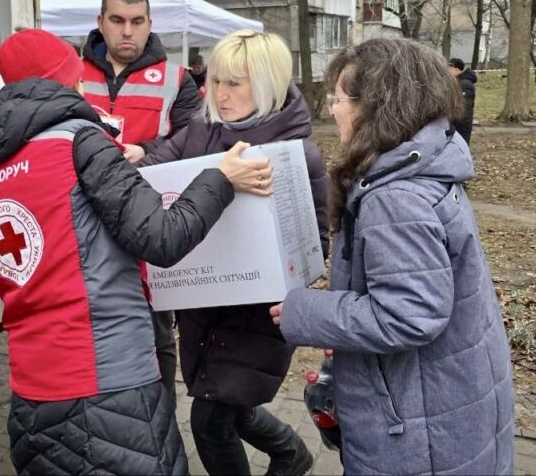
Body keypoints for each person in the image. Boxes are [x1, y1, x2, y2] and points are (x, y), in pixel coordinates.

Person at [0, 28, 273, 476]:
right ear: (69, 82)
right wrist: (219, 178)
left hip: (30, 391)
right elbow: (163, 237)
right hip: (108, 381)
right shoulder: (79, 141)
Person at [271, 39, 514, 476]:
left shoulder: (395, 197)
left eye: (338, 99)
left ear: (378, 105)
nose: (332, 111)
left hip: (419, 430)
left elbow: (409, 314)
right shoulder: (427, 163)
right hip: (447, 401)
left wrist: (303, 310)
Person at [137, 29, 329, 476]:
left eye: (234, 83)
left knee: (211, 419)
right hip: (202, 309)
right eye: (216, 81)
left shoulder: (298, 154)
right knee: (229, 404)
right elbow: (146, 176)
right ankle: (291, 455)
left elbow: (316, 244)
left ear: (266, 84)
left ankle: (290, 457)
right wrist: (134, 156)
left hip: (256, 319)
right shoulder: (197, 134)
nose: (219, 95)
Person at [79, 0, 201, 404]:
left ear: (150, 24)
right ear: (100, 23)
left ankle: (161, 418)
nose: (126, 31)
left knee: (157, 332)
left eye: (136, 21)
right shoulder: (71, 74)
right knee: (91, 328)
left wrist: (146, 151)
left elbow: (194, 142)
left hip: (150, 222)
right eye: (117, 20)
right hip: (85, 223)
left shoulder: (176, 79)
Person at [449, 57, 478, 145]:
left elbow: (464, 108)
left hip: (461, 126)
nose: (447, 72)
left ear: (457, 69)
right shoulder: (458, 83)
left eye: (449, 69)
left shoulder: (464, 85)